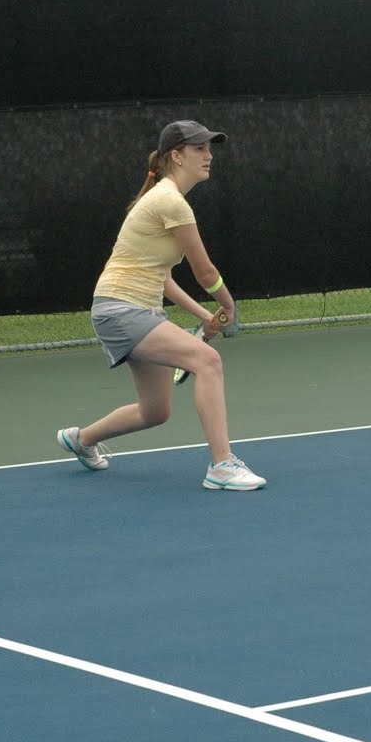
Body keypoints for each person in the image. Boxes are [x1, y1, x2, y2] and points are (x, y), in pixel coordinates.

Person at [56, 120, 266, 491]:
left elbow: (164, 280)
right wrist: (228, 306)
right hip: (122, 309)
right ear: (176, 156)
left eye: (209, 148)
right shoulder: (171, 202)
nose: (209, 155)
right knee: (208, 361)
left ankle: (81, 439)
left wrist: (205, 316)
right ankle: (221, 466)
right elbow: (205, 273)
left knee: (155, 411)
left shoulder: (161, 201)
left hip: (130, 309)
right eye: (200, 149)